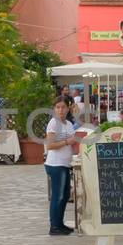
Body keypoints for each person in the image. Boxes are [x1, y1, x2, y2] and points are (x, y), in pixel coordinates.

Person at [43, 97, 78, 235]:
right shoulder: (53, 124)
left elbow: (74, 141)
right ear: (54, 109)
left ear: (67, 109)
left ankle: (60, 223)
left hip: (65, 163)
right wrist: (67, 142)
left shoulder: (68, 124)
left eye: (63, 107)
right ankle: (54, 226)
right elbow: (50, 145)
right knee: (58, 195)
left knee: (65, 195)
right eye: (57, 107)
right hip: (55, 164)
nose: (60, 110)